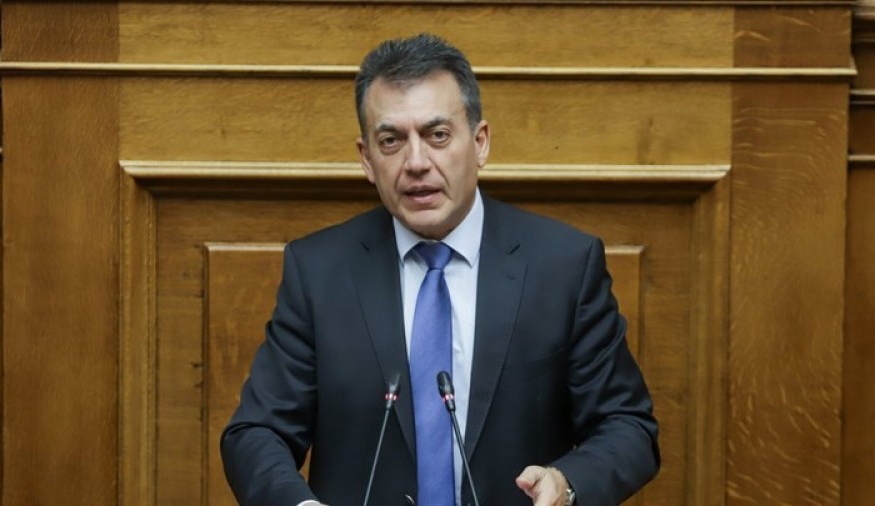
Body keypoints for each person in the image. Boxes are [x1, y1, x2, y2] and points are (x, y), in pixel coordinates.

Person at [221, 33, 659, 506]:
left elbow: (628, 426)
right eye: (391, 141)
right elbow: (256, 433)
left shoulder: (563, 266)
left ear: (480, 142)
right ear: (367, 159)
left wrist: (566, 482)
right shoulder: (320, 271)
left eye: (437, 135)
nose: (416, 162)